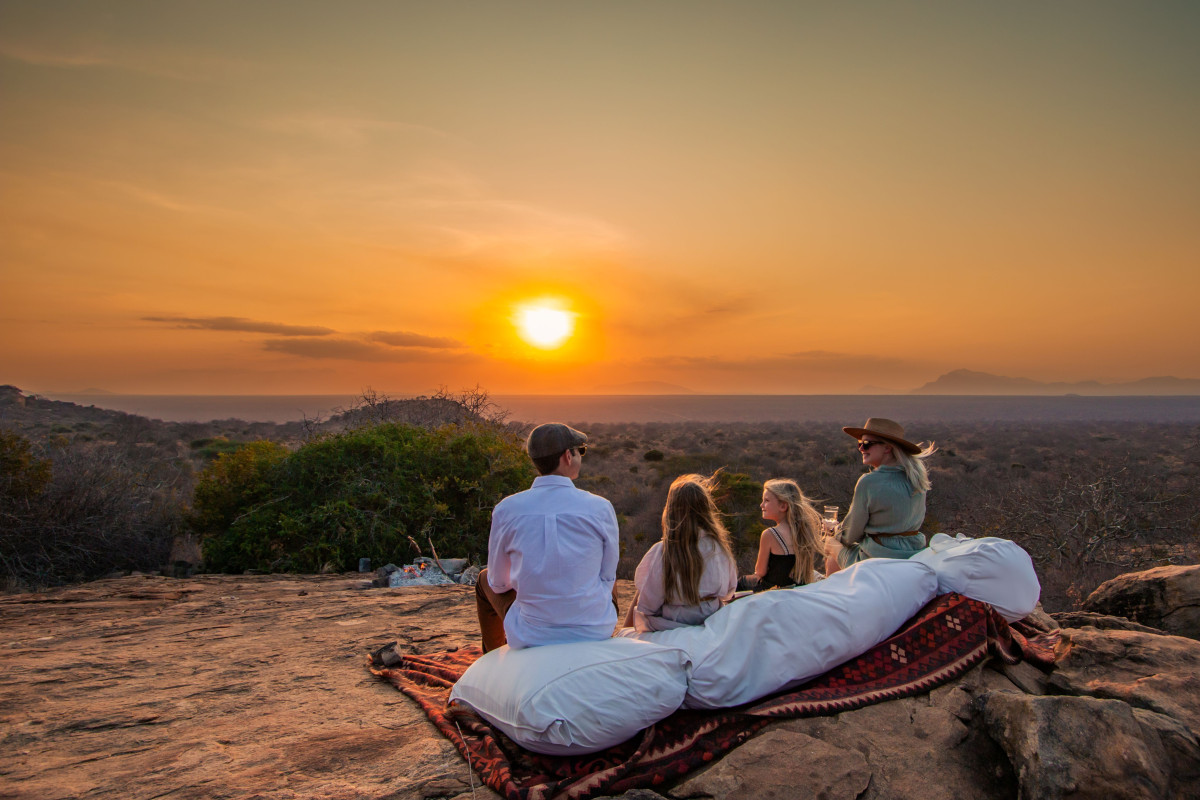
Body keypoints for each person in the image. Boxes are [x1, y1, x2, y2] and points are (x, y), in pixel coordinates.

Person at [475, 422, 619, 651]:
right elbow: (608, 575)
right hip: (595, 629)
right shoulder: (600, 508)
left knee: (484, 579)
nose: (580, 456)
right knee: (605, 574)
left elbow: (499, 583)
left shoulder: (507, 509)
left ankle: (491, 662)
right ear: (567, 457)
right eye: (579, 450)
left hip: (531, 633)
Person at [625, 473, 737, 632]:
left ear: (670, 510)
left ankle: (621, 637)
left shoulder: (663, 551)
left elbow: (648, 605)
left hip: (671, 624)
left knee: (643, 591)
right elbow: (729, 590)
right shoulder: (719, 547)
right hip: (711, 618)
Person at [825, 418, 936, 574]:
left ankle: (832, 595)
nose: (861, 449)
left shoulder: (869, 482)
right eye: (860, 444)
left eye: (867, 444)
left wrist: (834, 531)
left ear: (887, 448)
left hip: (878, 556)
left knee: (831, 545)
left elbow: (850, 535)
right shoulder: (917, 479)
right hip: (912, 553)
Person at [739, 478, 824, 591]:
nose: (761, 505)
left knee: (741, 583)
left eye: (766, 501)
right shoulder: (804, 532)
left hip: (773, 588)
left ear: (783, 506)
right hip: (797, 586)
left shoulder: (769, 534)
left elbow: (760, 572)